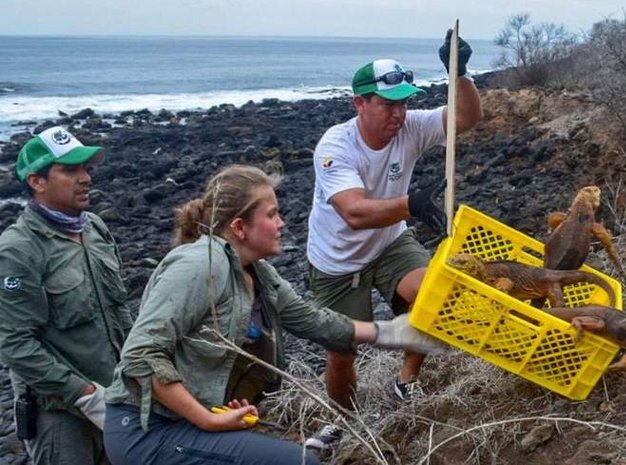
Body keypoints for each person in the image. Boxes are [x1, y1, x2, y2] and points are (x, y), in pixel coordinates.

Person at [103, 164, 442, 465]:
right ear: (239, 227)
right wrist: (206, 419)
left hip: (183, 422)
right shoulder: (199, 265)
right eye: (271, 214)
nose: (282, 223)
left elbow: (311, 320)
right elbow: (141, 355)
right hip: (148, 431)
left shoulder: (257, 273)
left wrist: (392, 333)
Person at [306, 30, 482, 410]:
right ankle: (345, 417)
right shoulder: (336, 146)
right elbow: (353, 212)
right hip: (337, 262)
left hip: (389, 243)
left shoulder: (411, 127)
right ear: (359, 103)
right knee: (342, 351)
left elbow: (466, 117)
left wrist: (461, 73)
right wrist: (413, 205)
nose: (398, 113)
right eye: (387, 104)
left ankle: (406, 379)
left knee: (433, 297)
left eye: (403, 103)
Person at [0, 126, 131, 465]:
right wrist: (85, 395)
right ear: (36, 181)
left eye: (86, 168)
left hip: (117, 401)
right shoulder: (18, 250)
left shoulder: (94, 229)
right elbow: (16, 345)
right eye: (70, 170)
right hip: (60, 418)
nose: (85, 178)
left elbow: (119, 312)